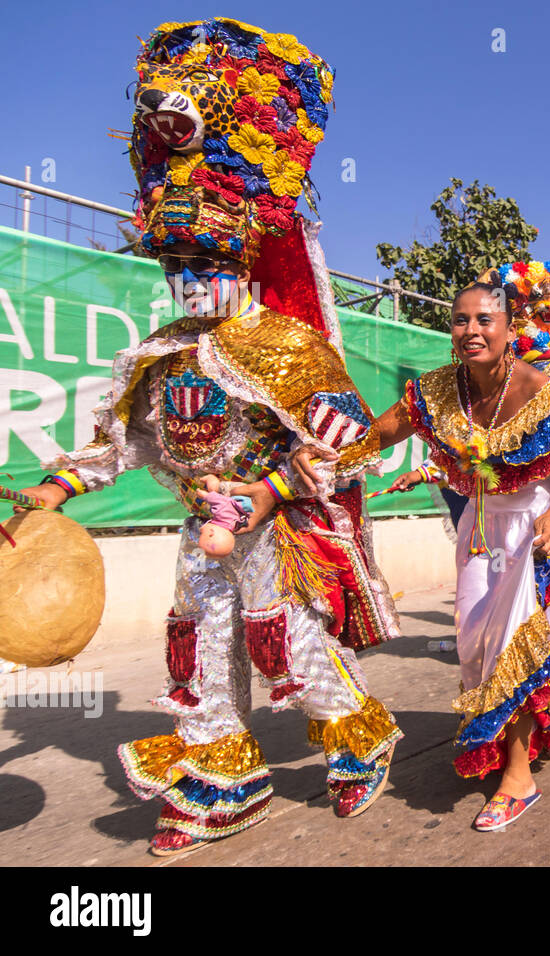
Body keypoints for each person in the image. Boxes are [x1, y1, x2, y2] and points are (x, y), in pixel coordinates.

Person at [19, 18, 402, 856]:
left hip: (272, 531)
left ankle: (359, 738)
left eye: (210, 260)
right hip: (205, 530)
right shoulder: (154, 353)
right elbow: (113, 445)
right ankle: (226, 772)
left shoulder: (288, 347)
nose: (192, 279)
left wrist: (268, 493)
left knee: (290, 644)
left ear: (245, 257)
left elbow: (351, 446)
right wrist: (49, 494)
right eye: (177, 263)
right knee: (197, 651)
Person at [366, 270, 550, 831]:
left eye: (485, 319)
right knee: (475, 644)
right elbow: (375, 436)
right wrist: (311, 452)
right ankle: (513, 735)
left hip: (532, 531)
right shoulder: (435, 391)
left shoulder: (546, 392)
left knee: (511, 641)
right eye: (460, 319)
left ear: (509, 329)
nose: (471, 329)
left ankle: (518, 777)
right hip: (479, 530)